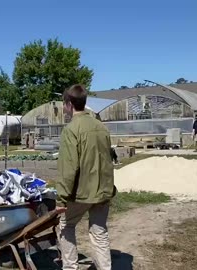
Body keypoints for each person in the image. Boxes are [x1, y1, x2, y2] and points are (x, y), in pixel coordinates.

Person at [56, 84, 115, 270]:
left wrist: (61, 198)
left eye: (64, 105)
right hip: (103, 189)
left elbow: (69, 168)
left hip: (82, 192)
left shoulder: (71, 129)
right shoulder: (101, 127)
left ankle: (70, 267)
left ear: (69, 104)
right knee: (99, 232)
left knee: (65, 225)